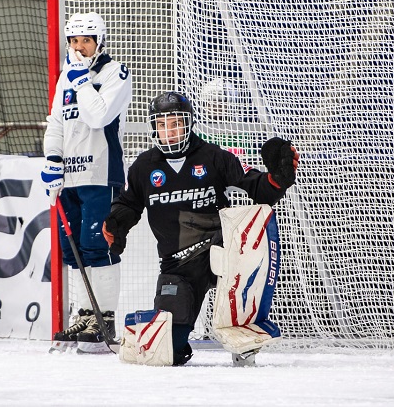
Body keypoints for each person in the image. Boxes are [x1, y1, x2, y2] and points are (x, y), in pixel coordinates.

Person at [101, 91, 298, 366]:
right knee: (167, 350)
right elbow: (128, 204)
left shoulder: (215, 156)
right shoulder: (143, 167)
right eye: (162, 124)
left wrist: (277, 178)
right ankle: (174, 340)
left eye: (175, 123)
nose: (169, 131)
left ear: (189, 123)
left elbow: (255, 187)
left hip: (223, 251)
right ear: (153, 127)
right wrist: (116, 223)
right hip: (178, 264)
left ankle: (244, 344)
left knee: (249, 244)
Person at [41, 12, 132, 351]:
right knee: (73, 249)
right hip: (70, 177)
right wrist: (52, 159)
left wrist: (81, 81)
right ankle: (85, 314)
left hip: (99, 173)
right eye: (73, 41)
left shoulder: (114, 73)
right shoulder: (67, 75)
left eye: (86, 41)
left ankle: (103, 316)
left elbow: (98, 116)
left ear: (99, 42)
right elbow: (57, 122)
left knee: (98, 245)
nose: (79, 47)